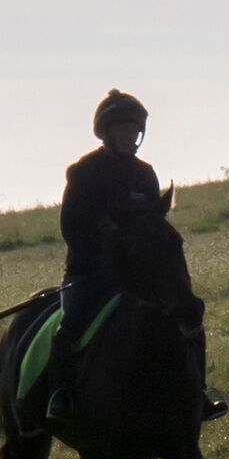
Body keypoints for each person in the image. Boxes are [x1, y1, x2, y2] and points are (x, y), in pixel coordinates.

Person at [42, 90, 210, 419]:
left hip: (138, 276)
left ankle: (198, 393)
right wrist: (105, 256)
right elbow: (71, 229)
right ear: (106, 132)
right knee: (70, 327)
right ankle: (60, 396)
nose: (130, 136)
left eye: (135, 130)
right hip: (89, 276)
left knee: (190, 319)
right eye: (123, 129)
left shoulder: (145, 174)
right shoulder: (84, 172)